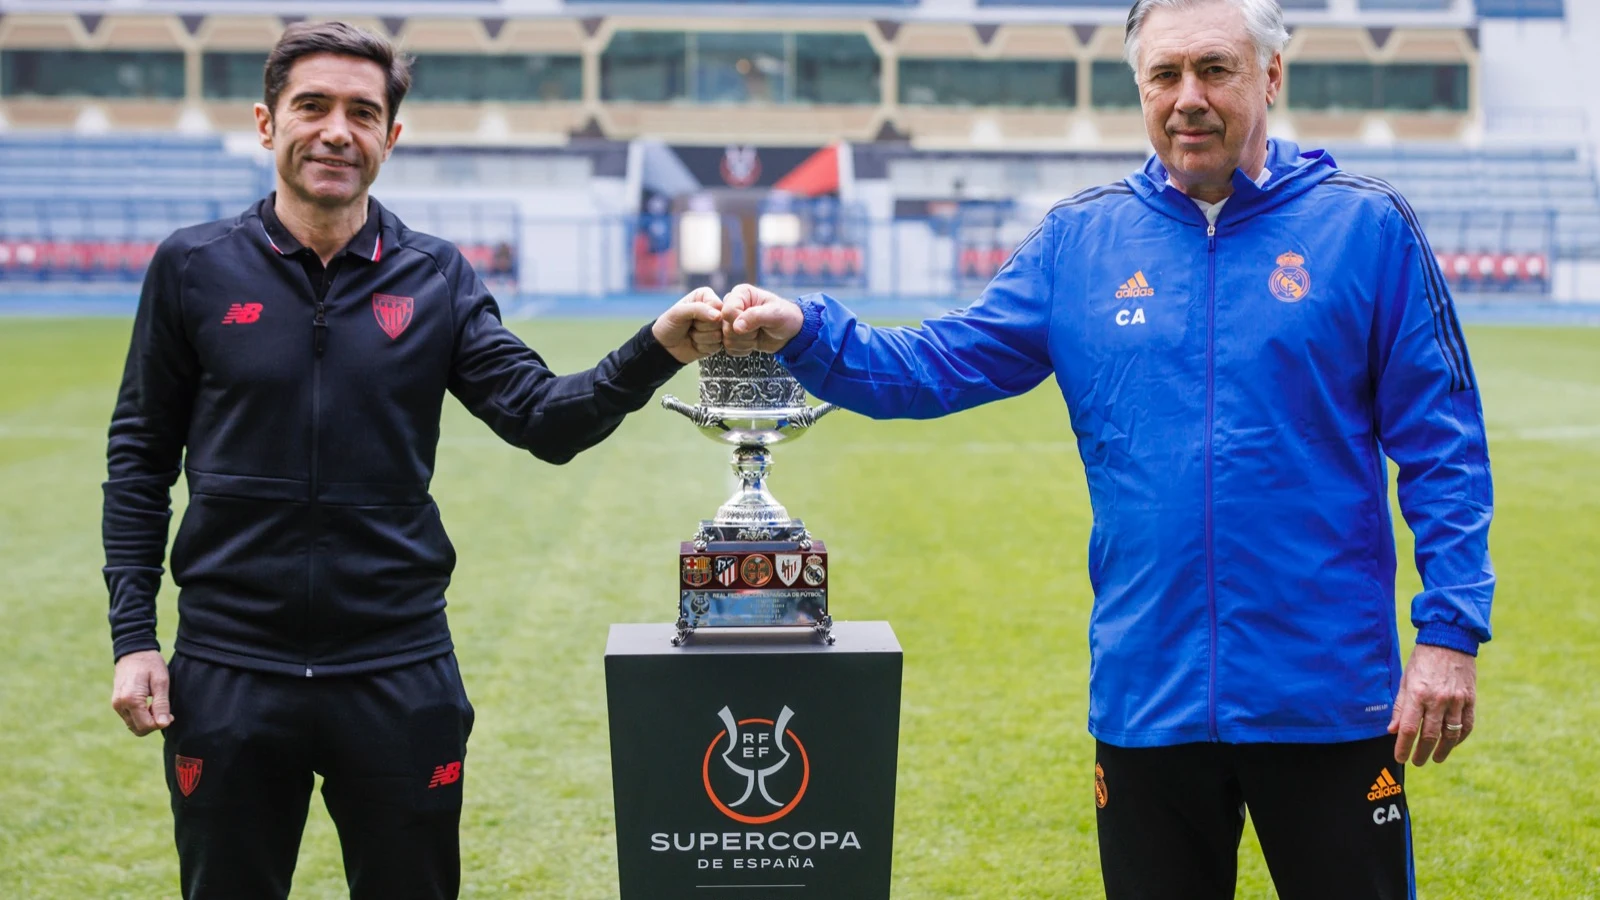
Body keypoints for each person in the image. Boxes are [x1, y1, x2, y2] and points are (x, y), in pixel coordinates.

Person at [718, 0, 1493, 896]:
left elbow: (1444, 446)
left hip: (1325, 696)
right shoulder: (1080, 241)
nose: (1188, 99)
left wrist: (1449, 634)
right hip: (1146, 698)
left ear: (1271, 76)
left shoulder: (1367, 230)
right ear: (1140, 88)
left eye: (1215, 70)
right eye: (1164, 75)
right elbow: (935, 365)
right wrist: (804, 329)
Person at [102, 22, 723, 900]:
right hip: (230, 672)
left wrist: (656, 347)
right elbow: (139, 457)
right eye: (311, 106)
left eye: (363, 113)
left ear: (390, 138)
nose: (335, 131)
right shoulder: (193, 267)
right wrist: (135, 640)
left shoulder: (436, 278)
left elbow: (544, 419)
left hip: (397, 670)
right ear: (266, 124)